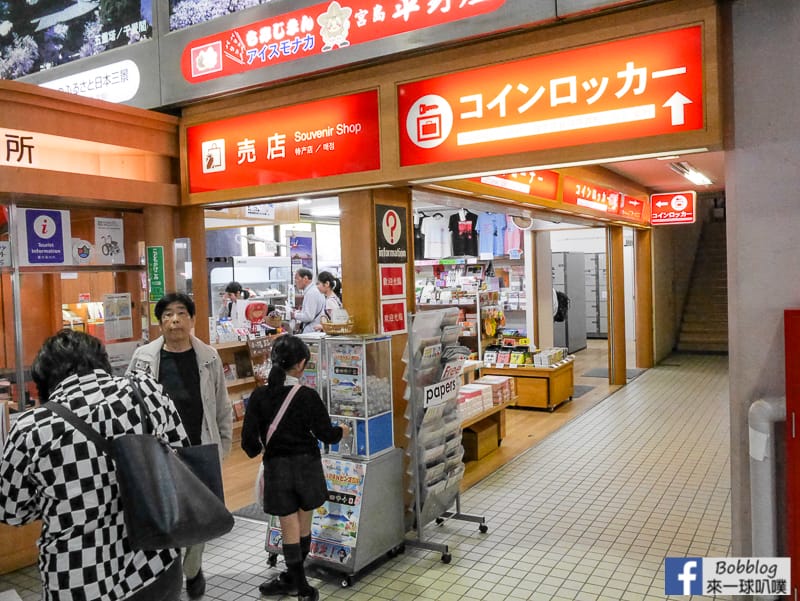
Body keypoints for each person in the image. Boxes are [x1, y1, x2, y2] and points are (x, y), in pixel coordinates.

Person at [0, 329, 190, 601]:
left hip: (80, 579)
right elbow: (181, 454)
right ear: (101, 361)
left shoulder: (31, 428)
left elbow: (10, 510)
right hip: (156, 565)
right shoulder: (146, 392)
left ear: (44, 377)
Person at [127, 292, 232, 600]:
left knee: (199, 516)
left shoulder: (209, 356)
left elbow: (222, 406)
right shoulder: (143, 357)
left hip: (200, 446)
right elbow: (130, 405)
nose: (174, 320)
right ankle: (170, 572)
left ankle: (193, 567)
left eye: (181, 313)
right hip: (159, 451)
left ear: (192, 319)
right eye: (168, 315)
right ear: (159, 322)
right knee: (164, 514)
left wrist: (222, 446)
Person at [241, 335, 349, 601]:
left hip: (277, 468)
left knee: (288, 525)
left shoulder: (258, 396)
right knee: (303, 524)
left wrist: (264, 449)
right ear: (301, 365)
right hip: (306, 466)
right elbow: (327, 434)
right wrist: (342, 431)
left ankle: (293, 580)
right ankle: (301, 586)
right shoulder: (307, 396)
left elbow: (249, 444)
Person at [292, 268, 326, 333]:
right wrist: (299, 312)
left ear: (305, 279)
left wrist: (294, 315)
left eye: (297, 278)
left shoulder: (311, 293)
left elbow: (309, 316)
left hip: (312, 332)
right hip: (314, 331)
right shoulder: (313, 290)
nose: (295, 281)